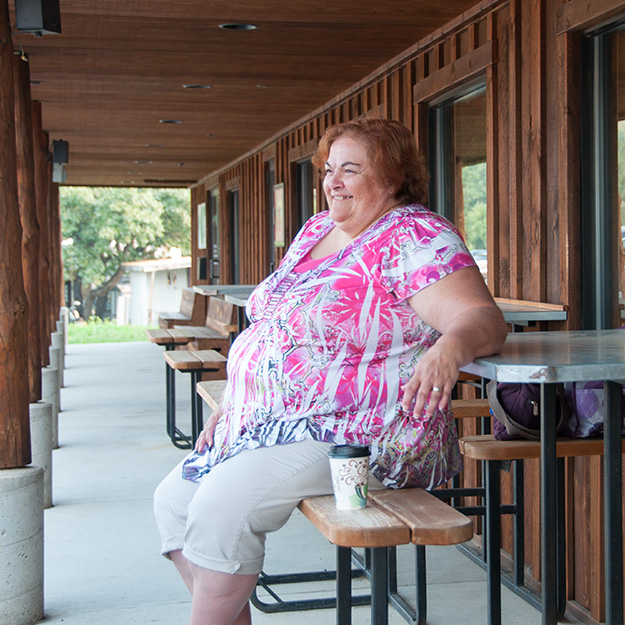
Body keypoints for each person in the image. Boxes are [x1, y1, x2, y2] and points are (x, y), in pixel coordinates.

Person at [154, 118, 508, 625]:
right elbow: (275, 324)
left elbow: (480, 318)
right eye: (328, 169)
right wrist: (237, 402)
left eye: (350, 170)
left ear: (392, 178)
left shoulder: (412, 234)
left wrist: (448, 350)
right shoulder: (318, 230)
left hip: (359, 426)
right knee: (173, 501)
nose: (332, 181)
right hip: (270, 419)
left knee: (218, 510)